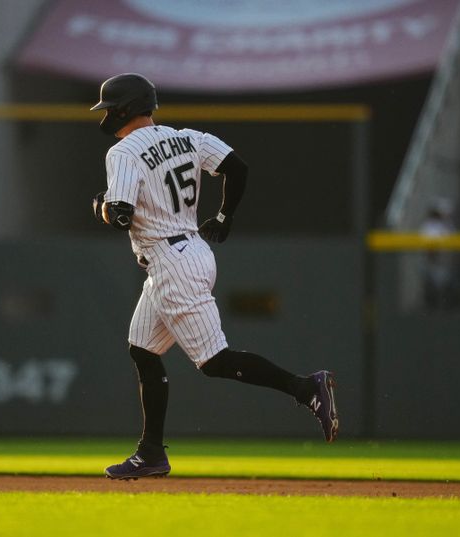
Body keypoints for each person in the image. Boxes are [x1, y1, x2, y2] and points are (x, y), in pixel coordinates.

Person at [90, 73, 338, 480]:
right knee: (143, 349)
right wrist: (224, 218)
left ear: (123, 109)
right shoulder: (188, 137)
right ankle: (151, 453)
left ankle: (306, 388)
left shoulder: (123, 153)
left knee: (214, 361)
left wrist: (100, 206)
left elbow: (120, 216)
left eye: (109, 108)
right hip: (190, 250)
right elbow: (237, 168)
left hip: (170, 261)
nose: (105, 116)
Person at [419, 198, 457, 310]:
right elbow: (429, 249)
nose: (446, 215)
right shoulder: (429, 225)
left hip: (445, 264)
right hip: (432, 264)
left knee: (445, 296)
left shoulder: (449, 225)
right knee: (431, 296)